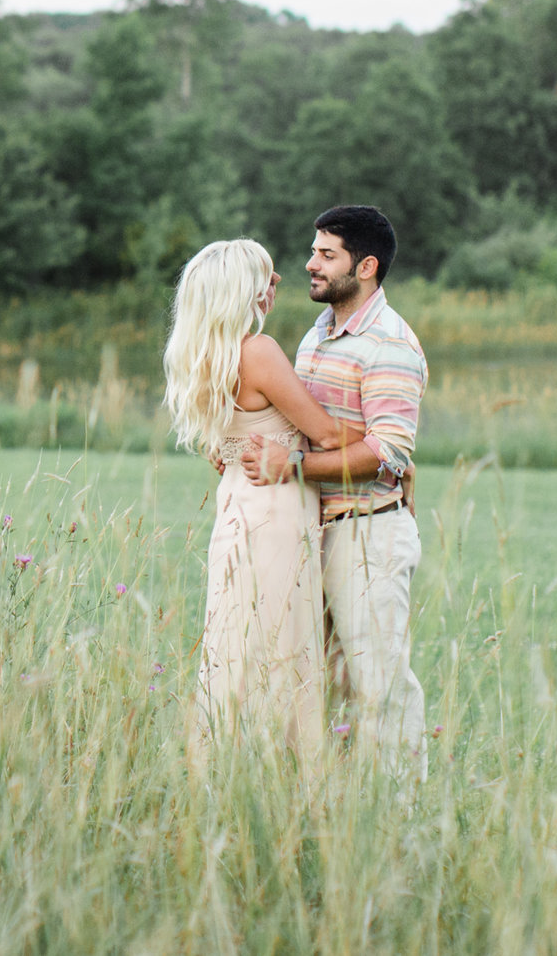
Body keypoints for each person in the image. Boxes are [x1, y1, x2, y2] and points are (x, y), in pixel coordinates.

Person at [243, 205, 428, 776]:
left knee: (378, 683)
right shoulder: (318, 333)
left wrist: (293, 466)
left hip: (367, 534)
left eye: (327, 255)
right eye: (314, 251)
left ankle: (400, 817)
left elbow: (387, 453)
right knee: (314, 683)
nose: (310, 264)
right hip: (307, 533)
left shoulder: (389, 344)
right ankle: (333, 809)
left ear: (366, 266)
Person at [162, 237, 362, 759]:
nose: (277, 283)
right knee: (281, 648)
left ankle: (229, 768)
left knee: (237, 648)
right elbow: (326, 435)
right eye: (266, 276)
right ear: (242, 291)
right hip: (274, 512)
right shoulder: (259, 351)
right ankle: (287, 779)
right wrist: (385, 440)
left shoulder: (202, 358)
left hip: (235, 511)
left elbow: (221, 448)